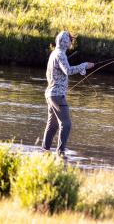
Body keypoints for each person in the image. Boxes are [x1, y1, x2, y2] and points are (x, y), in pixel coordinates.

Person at [42, 30, 94, 158]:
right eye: (70, 40)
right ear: (65, 42)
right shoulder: (60, 55)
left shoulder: (54, 53)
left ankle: (44, 151)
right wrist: (84, 66)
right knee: (66, 124)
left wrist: (80, 69)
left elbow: (60, 71)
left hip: (50, 94)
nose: (71, 42)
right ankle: (60, 153)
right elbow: (68, 71)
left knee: (53, 124)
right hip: (57, 95)